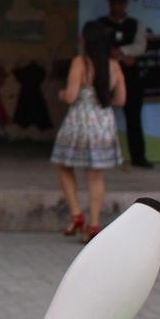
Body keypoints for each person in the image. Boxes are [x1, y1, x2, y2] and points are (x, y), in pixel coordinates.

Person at [51, 21, 126, 244]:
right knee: (96, 176)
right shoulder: (114, 66)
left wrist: (62, 94)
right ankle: (93, 225)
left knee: (64, 165)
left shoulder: (80, 63)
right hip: (103, 123)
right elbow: (121, 99)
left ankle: (77, 215)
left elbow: (72, 96)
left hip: (79, 123)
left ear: (86, 40)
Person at [95, 0, 152, 168]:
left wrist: (122, 52)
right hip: (106, 74)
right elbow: (94, 43)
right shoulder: (101, 23)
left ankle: (138, 157)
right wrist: (110, 54)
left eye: (120, 3)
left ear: (126, 5)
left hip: (130, 77)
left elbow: (141, 45)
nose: (117, 6)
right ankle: (98, 157)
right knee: (100, 117)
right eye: (114, 3)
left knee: (133, 118)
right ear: (110, 4)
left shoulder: (135, 24)